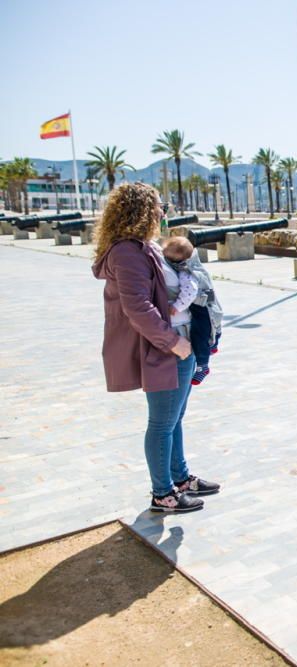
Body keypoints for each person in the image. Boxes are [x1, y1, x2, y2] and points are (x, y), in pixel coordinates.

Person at [92, 183, 220, 513]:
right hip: (163, 349)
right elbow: (137, 307)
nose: (163, 212)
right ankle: (163, 493)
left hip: (179, 346)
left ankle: (179, 478)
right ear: (143, 211)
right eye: (159, 206)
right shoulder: (127, 252)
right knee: (162, 423)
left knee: (174, 419)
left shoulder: (142, 247)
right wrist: (174, 343)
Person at [160, 237, 223, 385]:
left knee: (199, 336)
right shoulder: (194, 264)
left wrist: (177, 306)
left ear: (177, 261)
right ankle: (213, 345)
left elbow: (190, 293)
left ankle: (203, 366)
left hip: (200, 309)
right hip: (210, 306)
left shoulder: (186, 272)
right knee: (213, 327)